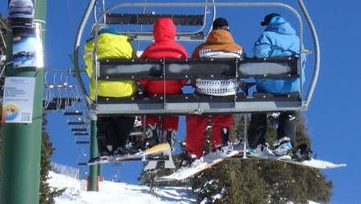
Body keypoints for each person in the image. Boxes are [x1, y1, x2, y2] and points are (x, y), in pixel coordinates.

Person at [184, 18, 243, 160]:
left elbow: (193, 73)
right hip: (228, 91)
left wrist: (196, 84)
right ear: (228, 30)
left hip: (204, 92)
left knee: (196, 117)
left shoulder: (201, 49)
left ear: (213, 30)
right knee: (223, 114)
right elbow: (242, 73)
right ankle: (220, 143)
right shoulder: (238, 49)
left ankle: (193, 152)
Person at [246, 13, 302, 157]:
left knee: (259, 105)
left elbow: (260, 55)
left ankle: (256, 143)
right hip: (290, 86)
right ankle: (286, 139)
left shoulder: (267, 36)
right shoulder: (297, 39)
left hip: (268, 84)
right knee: (289, 108)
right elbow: (302, 64)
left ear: (269, 23)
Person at [83, 26, 138, 156]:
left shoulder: (91, 45)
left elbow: (90, 70)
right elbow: (135, 65)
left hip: (102, 91)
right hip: (125, 91)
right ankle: (123, 142)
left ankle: (106, 144)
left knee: (104, 115)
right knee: (126, 114)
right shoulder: (126, 44)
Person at [138, 17, 188, 148]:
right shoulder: (180, 51)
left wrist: (145, 85)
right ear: (173, 32)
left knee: (147, 101)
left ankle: (151, 128)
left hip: (153, 90)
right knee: (173, 104)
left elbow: (141, 73)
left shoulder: (149, 50)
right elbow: (185, 75)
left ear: (155, 32)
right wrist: (179, 83)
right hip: (173, 91)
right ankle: (169, 131)